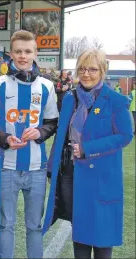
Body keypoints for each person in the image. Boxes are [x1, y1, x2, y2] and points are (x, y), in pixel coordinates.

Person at [42, 49, 133, 259]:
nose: (86, 74)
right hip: (73, 176)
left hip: (103, 178)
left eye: (92, 69)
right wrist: (52, 167)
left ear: (102, 71)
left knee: (102, 240)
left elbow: (125, 135)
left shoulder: (116, 101)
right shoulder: (70, 98)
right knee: (80, 236)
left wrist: (88, 148)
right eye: (82, 68)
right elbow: (61, 134)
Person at [0, 30, 59, 259]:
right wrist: (5, 139)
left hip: (37, 168)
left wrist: (40, 131)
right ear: (10, 53)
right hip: (6, 166)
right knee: (5, 224)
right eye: (18, 51)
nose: (22, 56)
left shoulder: (46, 86)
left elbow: (52, 122)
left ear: (35, 53)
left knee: (35, 226)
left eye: (27, 51)